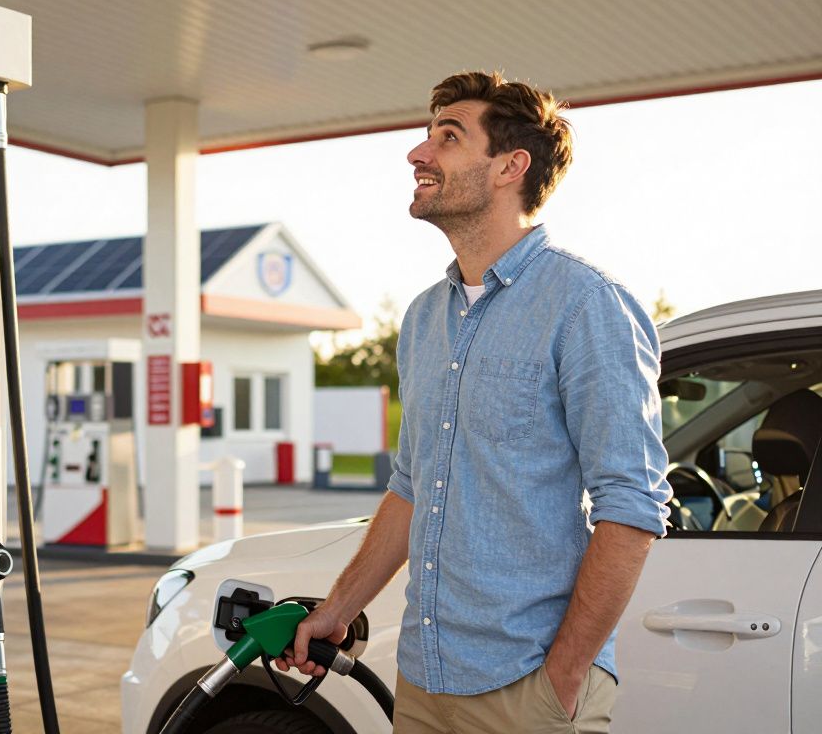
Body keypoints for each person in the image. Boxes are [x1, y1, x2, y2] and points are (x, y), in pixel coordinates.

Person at [275, 71, 673, 733]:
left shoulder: (586, 305)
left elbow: (631, 506)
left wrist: (562, 680)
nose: (417, 153)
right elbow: (411, 486)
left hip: (529, 687)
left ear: (509, 167)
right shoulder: (424, 318)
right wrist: (337, 609)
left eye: (449, 137)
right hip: (425, 681)